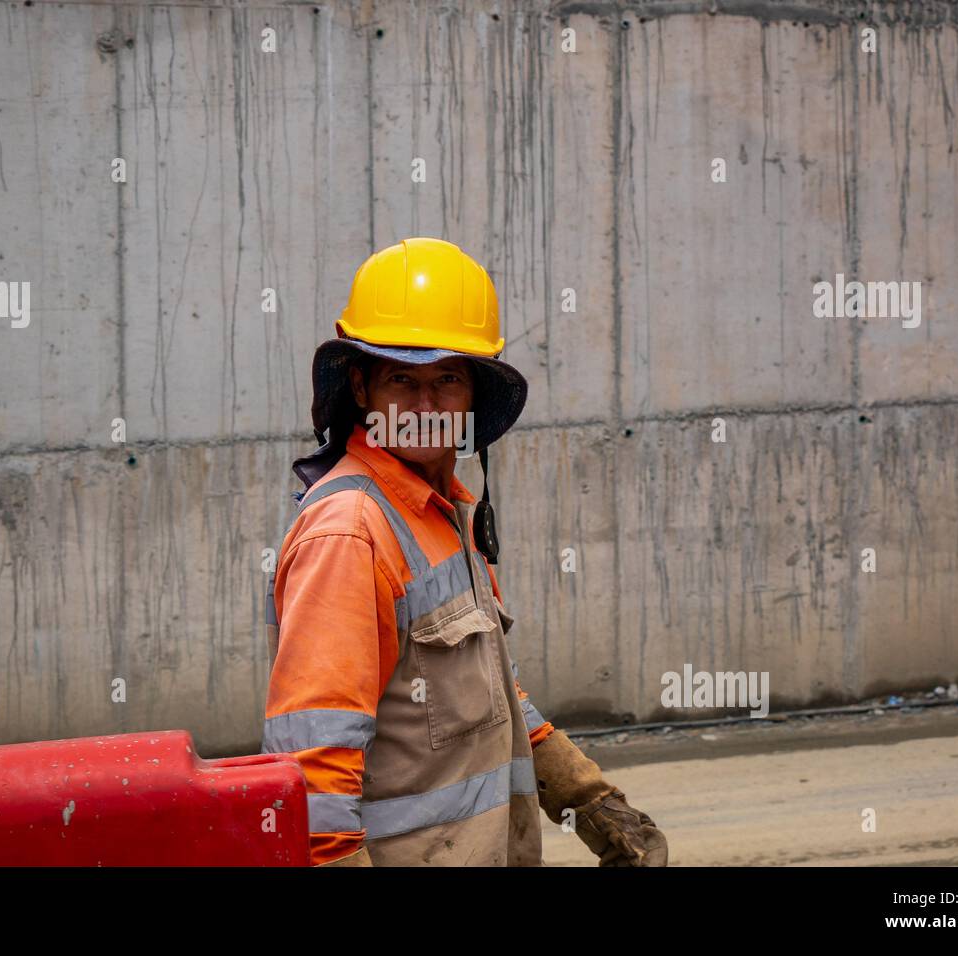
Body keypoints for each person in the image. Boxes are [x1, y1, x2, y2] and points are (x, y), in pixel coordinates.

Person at [261, 236, 669, 867]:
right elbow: (316, 758)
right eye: (402, 377)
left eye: (447, 378)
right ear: (363, 388)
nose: (426, 407)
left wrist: (585, 798)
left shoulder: (440, 512)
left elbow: (487, 694)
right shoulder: (350, 533)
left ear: (474, 392)